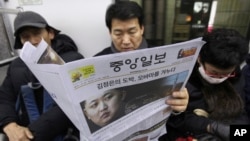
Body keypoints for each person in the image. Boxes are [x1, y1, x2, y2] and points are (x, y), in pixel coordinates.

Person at [0, 11, 84, 141]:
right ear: (21, 41)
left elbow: (74, 103)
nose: (33, 41)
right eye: (25, 37)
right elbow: (4, 99)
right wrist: (9, 124)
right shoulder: (16, 66)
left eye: (37, 33)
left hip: (64, 134)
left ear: (50, 33)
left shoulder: (73, 60)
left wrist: (31, 134)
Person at [94, 1, 189, 114]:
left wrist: (179, 106)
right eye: (118, 34)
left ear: (142, 29)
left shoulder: (164, 56)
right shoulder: (97, 62)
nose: (126, 41)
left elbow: (181, 103)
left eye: (132, 32)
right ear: (110, 32)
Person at [162, 28, 250, 141]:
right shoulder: (183, 79)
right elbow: (177, 120)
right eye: (214, 73)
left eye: (226, 74)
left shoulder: (236, 76)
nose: (219, 79)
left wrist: (236, 133)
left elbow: (240, 111)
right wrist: (211, 127)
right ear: (199, 59)